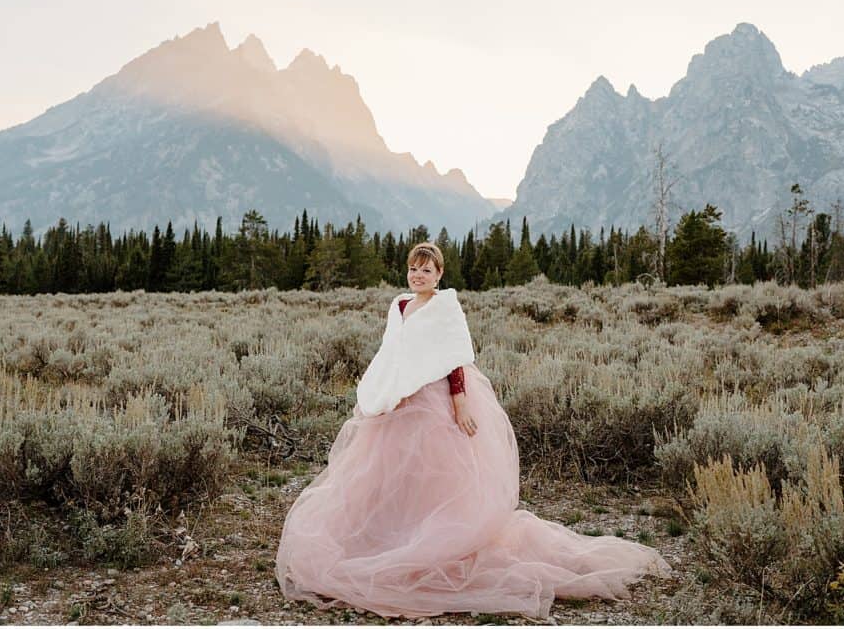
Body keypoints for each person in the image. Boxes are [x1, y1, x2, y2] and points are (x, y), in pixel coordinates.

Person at [275, 242, 671, 619]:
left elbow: (454, 359)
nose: (418, 275)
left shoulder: (445, 308)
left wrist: (460, 403)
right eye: (413, 268)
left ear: (439, 273)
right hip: (399, 403)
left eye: (426, 270)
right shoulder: (398, 305)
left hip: (433, 402)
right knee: (391, 475)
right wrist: (381, 391)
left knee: (438, 475)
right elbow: (391, 353)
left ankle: (436, 545)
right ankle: (393, 537)